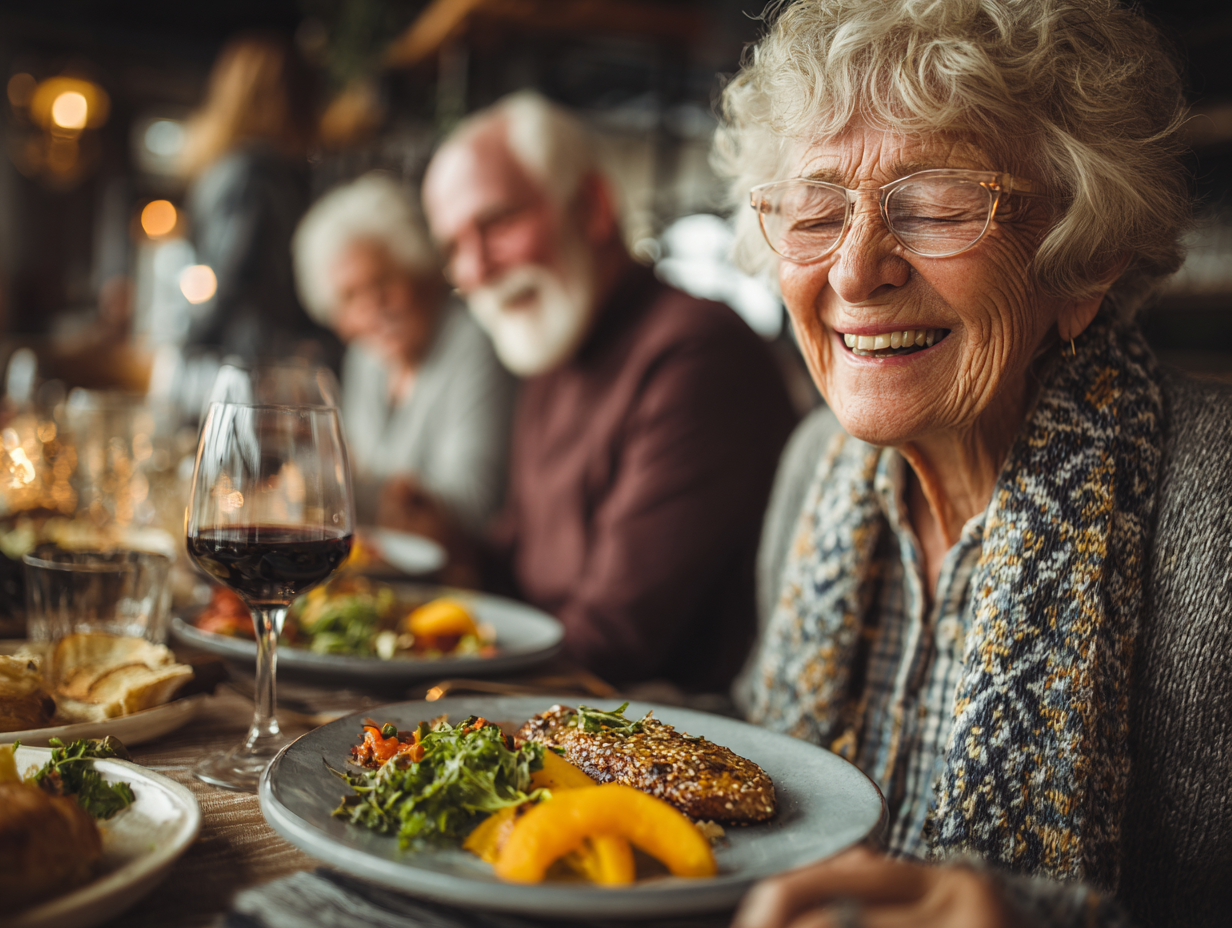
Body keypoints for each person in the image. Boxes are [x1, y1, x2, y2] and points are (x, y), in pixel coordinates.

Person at [715, 0, 1232, 926]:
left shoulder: (1217, 516)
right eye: (817, 209)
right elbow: (755, 757)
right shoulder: (810, 471)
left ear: (1086, 258)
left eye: (937, 205)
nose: (854, 270)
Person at [417, 91, 797, 691]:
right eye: (452, 249)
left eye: (496, 224)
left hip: (660, 735)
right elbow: (516, 573)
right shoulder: (554, 343)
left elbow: (613, 642)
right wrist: (437, 541)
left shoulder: (696, 353)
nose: (474, 270)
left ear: (591, 207)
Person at [292, 173, 514, 532]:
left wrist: (332, 486)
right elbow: (352, 473)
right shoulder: (366, 357)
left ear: (420, 270)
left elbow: (474, 502)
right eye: (350, 297)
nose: (373, 309)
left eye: (383, 282)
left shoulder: (475, 341)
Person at [179, 33, 338, 366]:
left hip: (242, 353)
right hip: (253, 357)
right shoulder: (256, 172)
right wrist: (191, 345)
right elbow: (231, 272)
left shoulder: (226, 166)